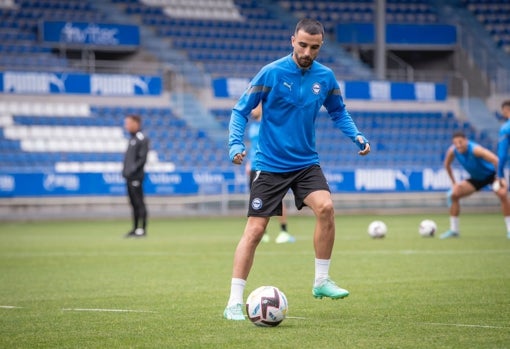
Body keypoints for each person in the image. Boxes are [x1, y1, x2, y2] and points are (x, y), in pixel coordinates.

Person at [223, 18, 370, 321]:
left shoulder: (326, 77)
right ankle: (234, 301)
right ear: (292, 41)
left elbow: (339, 111)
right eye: (302, 45)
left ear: (320, 47)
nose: (307, 51)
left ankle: (321, 282)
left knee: (326, 207)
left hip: (306, 163)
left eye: (314, 47)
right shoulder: (272, 72)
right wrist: (235, 145)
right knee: (255, 230)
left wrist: (355, 135)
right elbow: (240, 110)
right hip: (270, 165)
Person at [441, 130, 510, 239]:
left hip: (491, 176)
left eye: (461, 142)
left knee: (502, 194)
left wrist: (500, 178)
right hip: (477, 179)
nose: (458, 145)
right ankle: (454, 230)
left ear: (466, 141)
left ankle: (509, 229)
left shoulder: (476, 150)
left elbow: (496, 160)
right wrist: (454, 183)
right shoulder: (452, 151)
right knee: (454, 194)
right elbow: (447, 164)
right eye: (456, 143)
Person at [246, 102, 296, 244]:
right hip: (254, 166)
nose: (253, 109)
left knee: (277, 199)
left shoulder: (269, 123)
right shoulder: (253, 125)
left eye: (256, 106)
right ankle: (263, 233)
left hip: (268, 166)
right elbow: (253, 146)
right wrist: (249, 163)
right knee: (257, 201)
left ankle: (284, 231)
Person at [122, 114, 149, 238]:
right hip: (129, 177)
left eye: (128, 123)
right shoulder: (132, 139)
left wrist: (132, 171)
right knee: (133, 204)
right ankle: (135, 228)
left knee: (139, 203)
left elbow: (142, 159)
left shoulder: (141, 138)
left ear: (136, 123)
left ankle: (142, 229)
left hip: (136, 177)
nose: (126, 126)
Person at [496, 99, 510, 239]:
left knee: (504, 196)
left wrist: (500, 174)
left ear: (506, 110)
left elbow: (502, 154)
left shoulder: (506, 128)